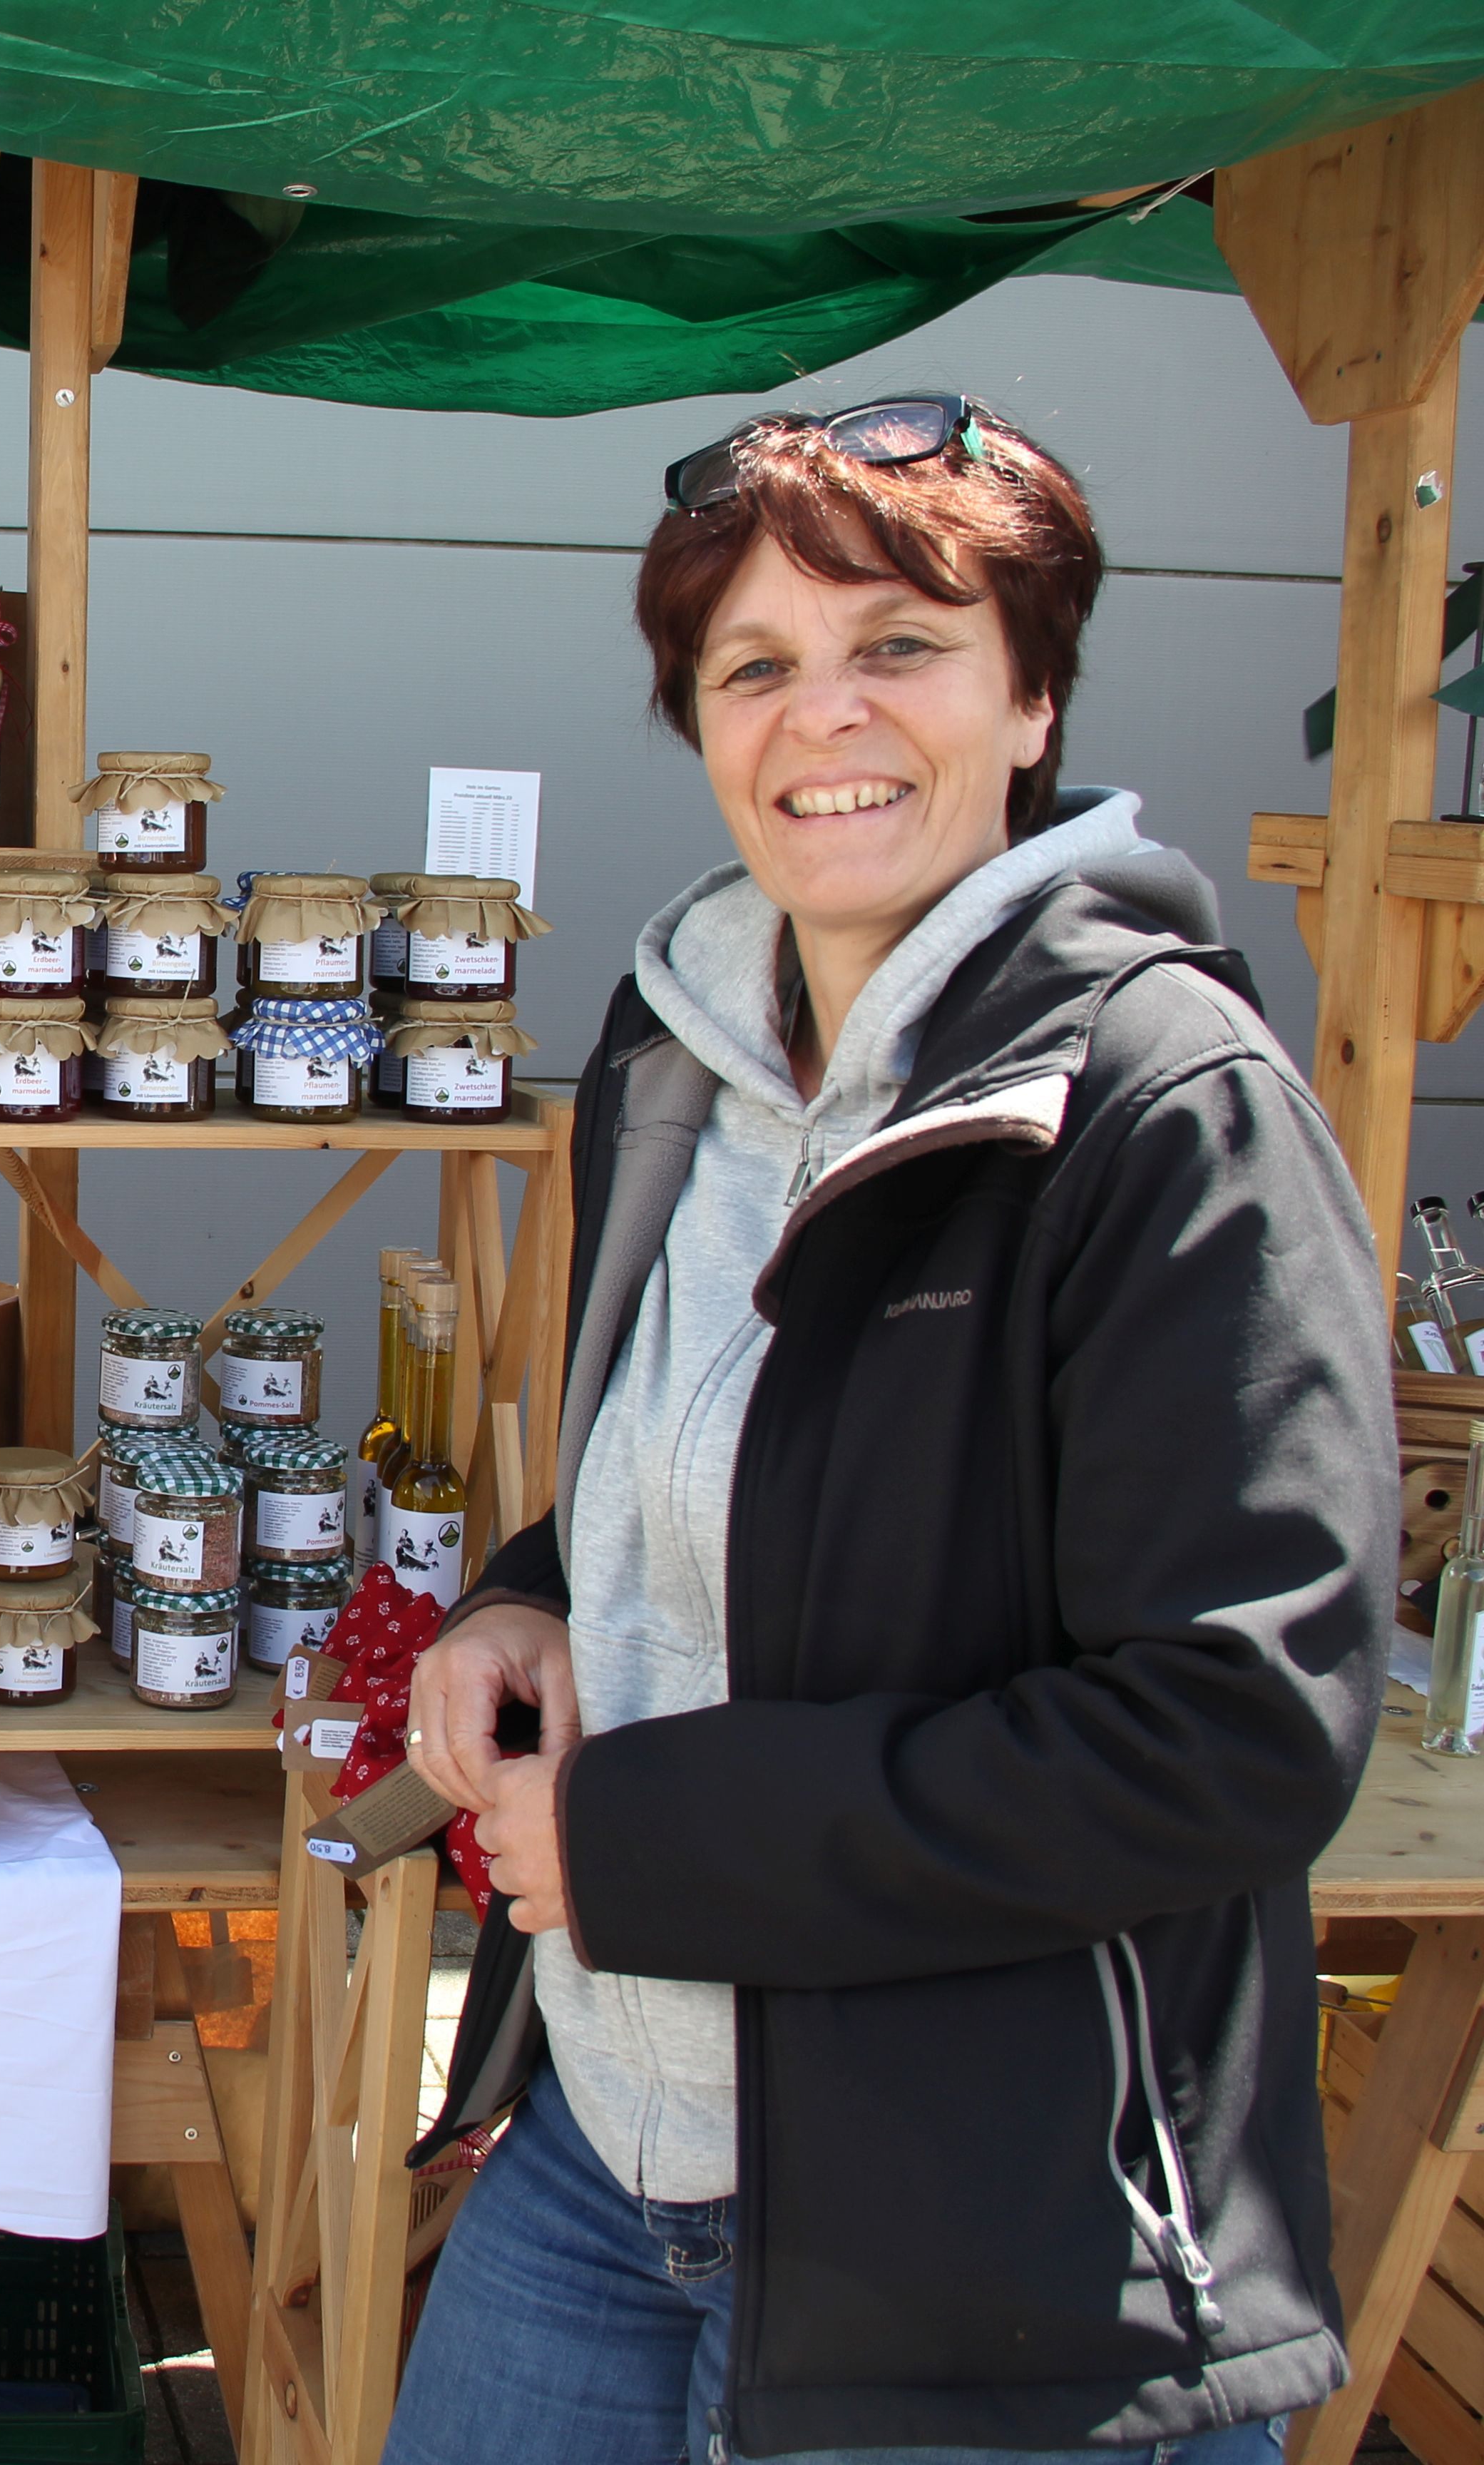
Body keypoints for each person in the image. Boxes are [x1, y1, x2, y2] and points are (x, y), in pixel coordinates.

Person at [384, 397, 1391, 2465]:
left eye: (901, 648)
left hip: (980, 2251)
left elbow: (1234, 1732)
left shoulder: (1159, 1105)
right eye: (755, 667)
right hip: (603, 2154)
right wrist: (531, 1600)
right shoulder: (680, 1051)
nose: (821, 717)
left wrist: (643, 1844)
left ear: (1030, 694)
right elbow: (732, 1469)